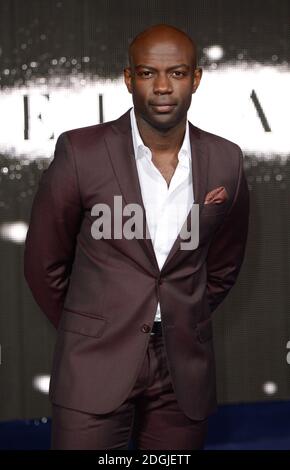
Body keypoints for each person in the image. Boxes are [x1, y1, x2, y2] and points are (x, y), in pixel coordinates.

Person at [24, 24, 250, 450]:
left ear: (196, 79)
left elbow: (223, 265)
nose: (163, 87)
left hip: (183, 366)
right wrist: (91, 329)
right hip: (95, 362)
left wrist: (183, 314)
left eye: (177, 73)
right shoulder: (80, 152)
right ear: (129, 79)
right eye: (148, 73)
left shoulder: (226, 160)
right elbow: (43, 264)